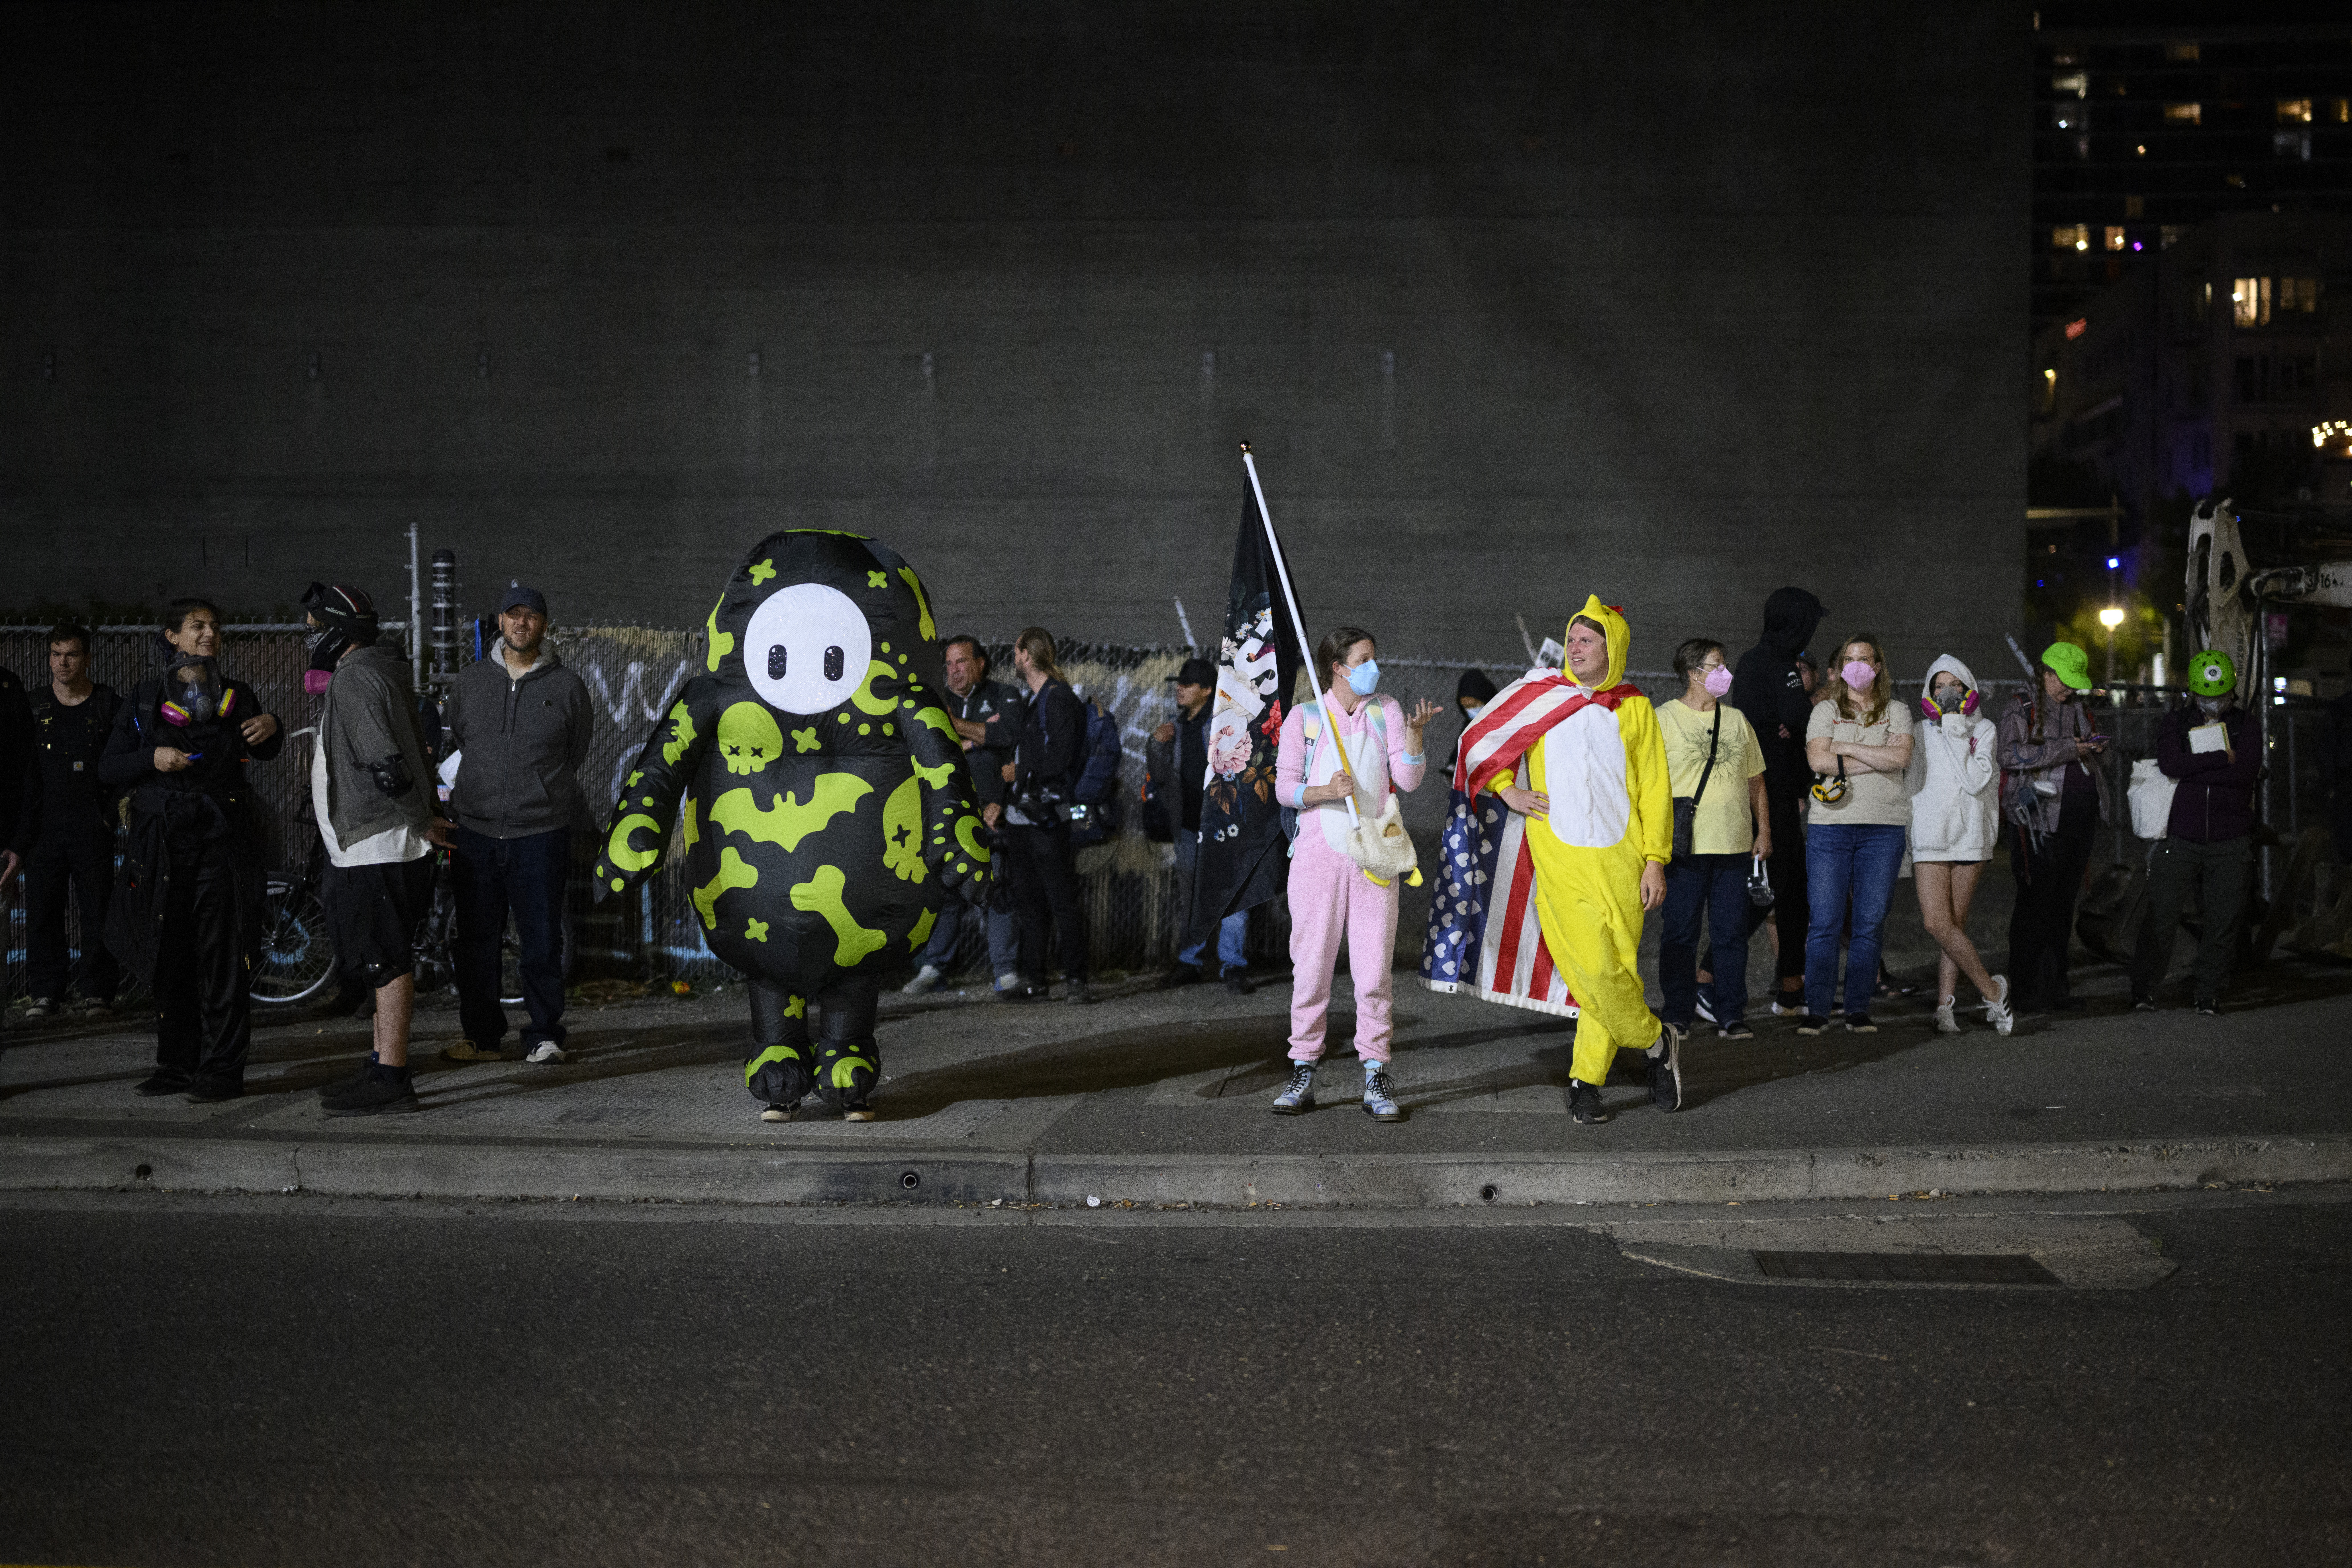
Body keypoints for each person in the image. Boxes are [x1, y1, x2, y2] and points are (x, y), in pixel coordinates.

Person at [1455, 597, 1681, 1122]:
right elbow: (1480, 743)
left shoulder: (1636, 707)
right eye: (1572, 639)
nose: (1575, 647)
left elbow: (1654, 787)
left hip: (1625, 863)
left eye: (1588, 640)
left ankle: (1586, 1081)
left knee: (1616, 972)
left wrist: (1655, 859)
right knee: (1596, 972)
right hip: (1559, 858)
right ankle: (1655, 1041)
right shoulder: (1541, 697)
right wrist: (1506, 788)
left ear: (1613, 648)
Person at [98, 599, 282, 1099]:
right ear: (172, 636)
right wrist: (151, 757)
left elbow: (264, 747)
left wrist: (273, 726)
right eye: (197, 627)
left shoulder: (237, 696)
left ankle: (223, 1069)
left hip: (219, 848)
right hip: (161, 850)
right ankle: (177, 1065)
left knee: (223, 961)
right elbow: (107, 769)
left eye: (215, 628)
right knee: (170, 957)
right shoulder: (142, 700)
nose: (209, 635)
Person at [1270, 626, 1438, 1121]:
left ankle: (1376, 1071)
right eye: (1364, 658)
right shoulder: (1304, 718)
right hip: (1318, 856)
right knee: (1312, 969)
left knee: (1373, 973)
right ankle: (1302, 1066)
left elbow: (1406, 779)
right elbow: (1284, 787)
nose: (1373, 666)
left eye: (1373, 657)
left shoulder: (1385, 710)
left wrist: (1416, 736)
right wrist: (1322, 791)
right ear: (1339, 666)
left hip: (1375, 859)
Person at [301, 584, 451, 1116]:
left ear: (340, 630)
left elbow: (387, 765)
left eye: (317, 627)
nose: (311, 636)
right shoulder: (375, 667)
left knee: (387, 960)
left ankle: (391, 1076)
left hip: (380, 844)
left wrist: (421, 820)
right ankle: (378, 1064)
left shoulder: (357, 675)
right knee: (376, 958)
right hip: (374, 843)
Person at [438, 582, 594, 1065]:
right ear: (500, 623)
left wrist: (537, 791)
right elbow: (461, 739)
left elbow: (576, 751)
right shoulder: (468, 683)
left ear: (543, 625)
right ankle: (483, 1037)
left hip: (540, 833)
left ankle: (544, 1034)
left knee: (542, 941)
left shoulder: (567, 686)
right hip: (477, 833)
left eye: (530, 616)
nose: (521, 623)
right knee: (476, 942)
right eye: (512, 615)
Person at [1797, 634, 1914, 1034]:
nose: (1856, 666)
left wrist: (1846, 749)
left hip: (1884, 830)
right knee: (1826, 921)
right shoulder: (1826, 709)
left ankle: (1857, 1009)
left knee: (1869, 922)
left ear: (1878, 666)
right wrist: (1875, 756)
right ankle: (1817, 1009)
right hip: (1831, 828)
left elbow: (1902, 758)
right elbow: (1818, 759)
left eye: (1864, 659)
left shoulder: (1897, 710)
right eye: (1849, 658)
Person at [2131, 650, 2258, 1015]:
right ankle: (2144, 990)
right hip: (2181, 835)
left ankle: (2208, 992)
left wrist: (2195, 768)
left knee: (2223, 919)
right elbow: (2171, 764)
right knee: (2161, 914)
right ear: (2193, 692)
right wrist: (2221, 758)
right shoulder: (2175, 722)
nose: (2213, 703)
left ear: (2232, 692)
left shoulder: (2246, 725)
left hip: (2230, 837)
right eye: (2207, 696)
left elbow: (2244, 772)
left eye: (2220, 695)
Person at [1655, 638, 1769, 1041]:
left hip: (1735, 847)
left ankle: (1731, 1013)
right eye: (1717, 667)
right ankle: (1677, 1014)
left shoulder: (1737, 720)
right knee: (1680, 933)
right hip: (1685, 849)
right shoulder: (1664, 719)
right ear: (1693, 673)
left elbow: (1757, 780)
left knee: (1731, 933)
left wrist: (1764, 831)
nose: (1726, 674)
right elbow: (1649, 784)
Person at [11, 625, 124, 1016]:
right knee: (43, 912)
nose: (63, 662)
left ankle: (97, 993)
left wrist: (109, 819)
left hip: (92, 829)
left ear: (87, 659)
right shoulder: (34, 706)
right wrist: (21, 833)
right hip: (44, 832)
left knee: (97, 912)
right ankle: (46, 993)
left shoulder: (107, 704)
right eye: (56, 654)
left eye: (71, 654)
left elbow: (124, 765)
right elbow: (21, 775)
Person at [903, 634, 1023, 996]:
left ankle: (1006, 971)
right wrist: (981, 737)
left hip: (992, 814)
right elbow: (926, 744)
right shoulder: (940, 700)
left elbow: (1011, 733)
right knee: (945, 891)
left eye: (961, 662)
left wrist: (957, 729)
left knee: (996, 889)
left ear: (981, 663)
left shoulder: (1005, 695)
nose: (954, 671)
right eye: (950, 664)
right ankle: (933, 967)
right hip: (949, 815)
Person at [1998, 641, 2110, 1013]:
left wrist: (2095, 748)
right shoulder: (2022, 706)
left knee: (2064, 903)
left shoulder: (2078, 708)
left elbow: (2081, 746)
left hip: (2079, 814)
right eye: (2064, 681)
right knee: (2035, 903)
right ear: (2044, 673)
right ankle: (2026, 989)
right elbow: (2009, 755)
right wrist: (2068, 749)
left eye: (2074, 683)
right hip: (2036, 818)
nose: (2069, 690)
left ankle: (2056, 987)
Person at [1730, 586, 1826, 1018]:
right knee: (1772, 891)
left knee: (1789, 894)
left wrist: (1793, 720)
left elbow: (1790, 719)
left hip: (1770, 789)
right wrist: (1805, 713)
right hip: (1772, 792)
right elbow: (1800, 718)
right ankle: (1707, 977)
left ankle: (1792, 988)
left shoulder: (1753, 661)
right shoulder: (1777, 662)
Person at [1908, 655, 2012, 1035]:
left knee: (1956, 924)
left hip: (1969, 836)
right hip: (1931, 836)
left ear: (1968, 691)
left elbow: (1973, 781)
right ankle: (1993, 990)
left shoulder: (1983, 729)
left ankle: (1945, 1006)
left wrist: (1954, 726)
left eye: (1954, 686)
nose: (1946, 693)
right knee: (1938, 923)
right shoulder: (1918, 731)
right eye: (1938, 687)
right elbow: (1912, 784)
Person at [1001, 627, 1095, 1004]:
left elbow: (1061, 758)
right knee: (1030, 904)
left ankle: (1077, 980)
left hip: (1046, 820)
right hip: (1023, 818)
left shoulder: (1057, 700)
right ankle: (1035, 979)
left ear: (1027, 654)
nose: (1014, 658)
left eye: (1016, 651)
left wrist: (1019, 774)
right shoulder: (1036, 699)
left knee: (1061, 901)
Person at [1150, 655, 1252, 993]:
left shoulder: (1226, 727)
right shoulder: (1175, 727)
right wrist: (1156, 744)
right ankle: (1191, 962)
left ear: (1207, 690)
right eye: (1178, 684)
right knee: (1192, 898)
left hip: (1223, 829)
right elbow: (1162, 777)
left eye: (1188, 684)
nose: (1179, 689)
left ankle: (1232, 966)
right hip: (1188, 828)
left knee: (1231, 898)